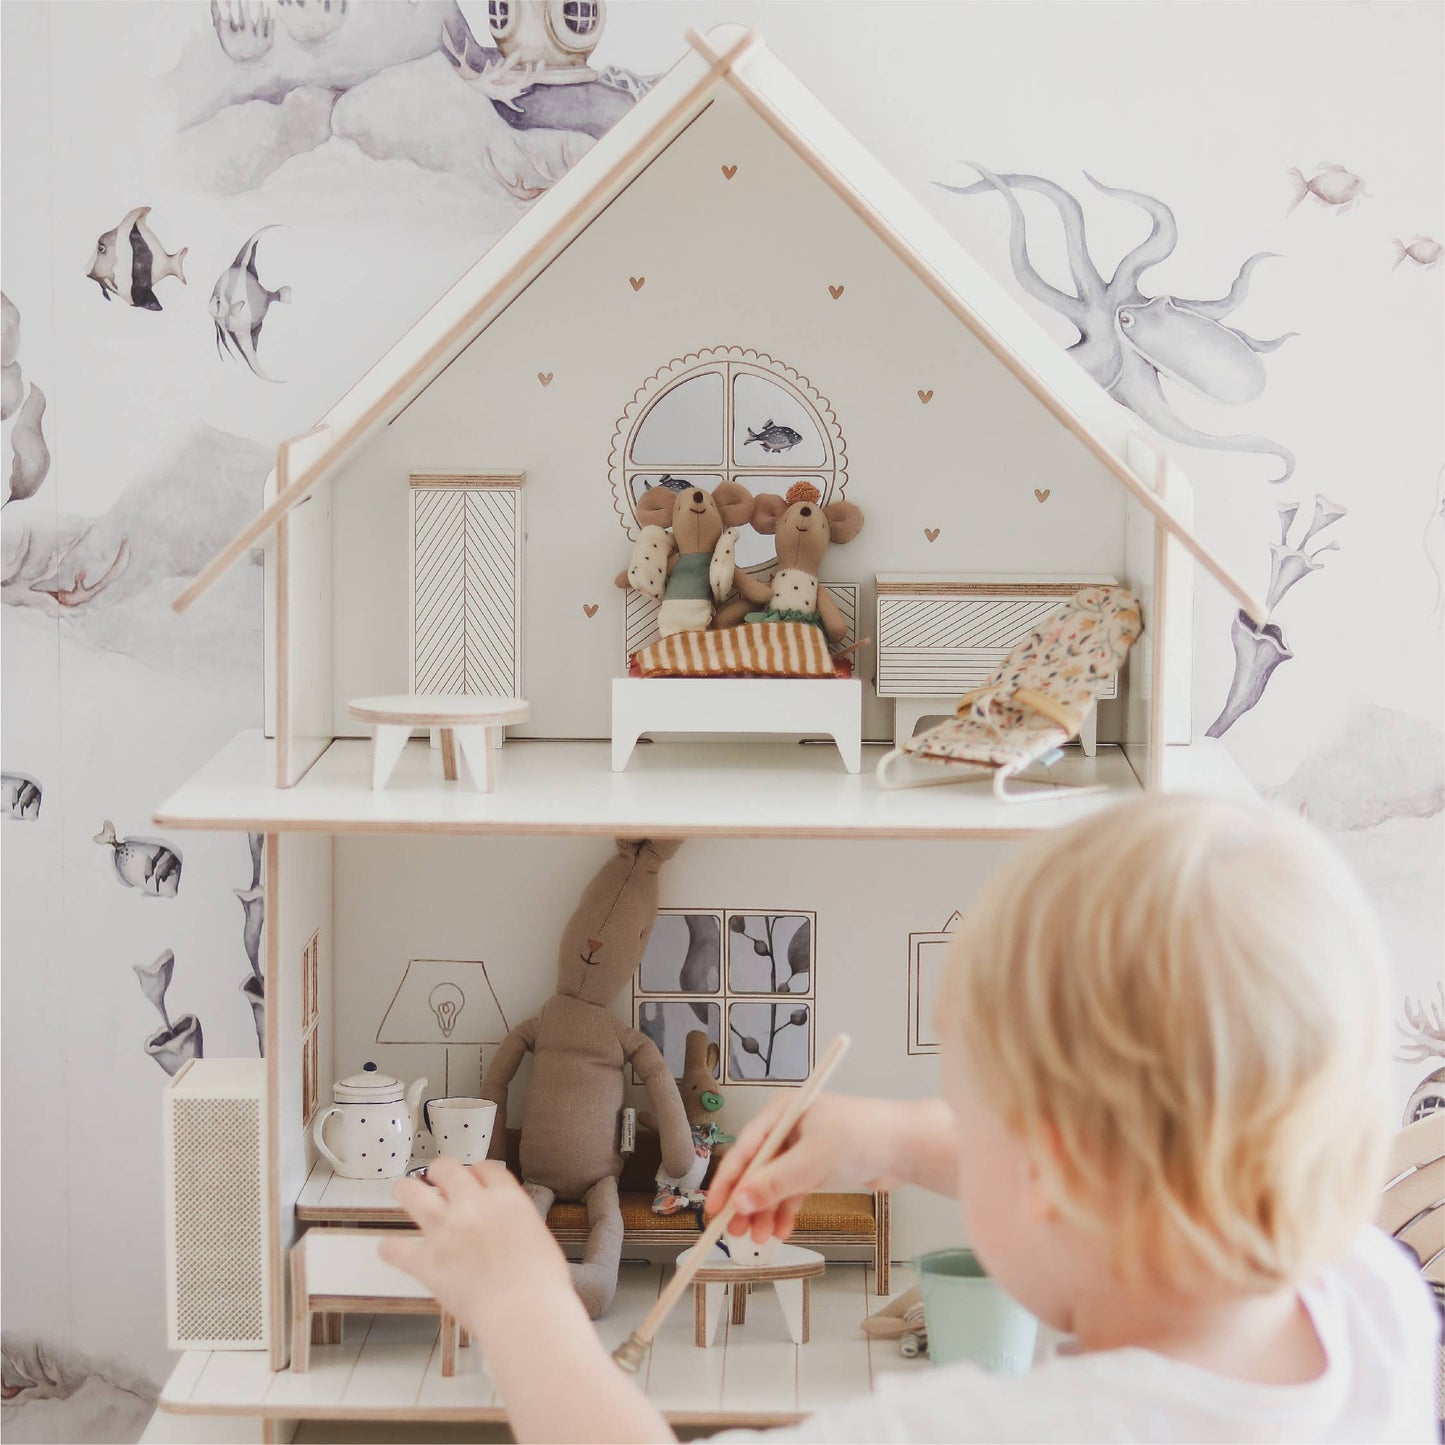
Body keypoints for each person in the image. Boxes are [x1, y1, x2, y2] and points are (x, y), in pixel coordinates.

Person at [382, 795, 1440, 1442]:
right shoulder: (1368, 1298)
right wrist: (894, 1137)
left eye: (969, 1118)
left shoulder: (996, 1428)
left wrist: (522, 1300)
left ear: (1052, 1171)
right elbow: (1165, 1162)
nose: (957, 1138)